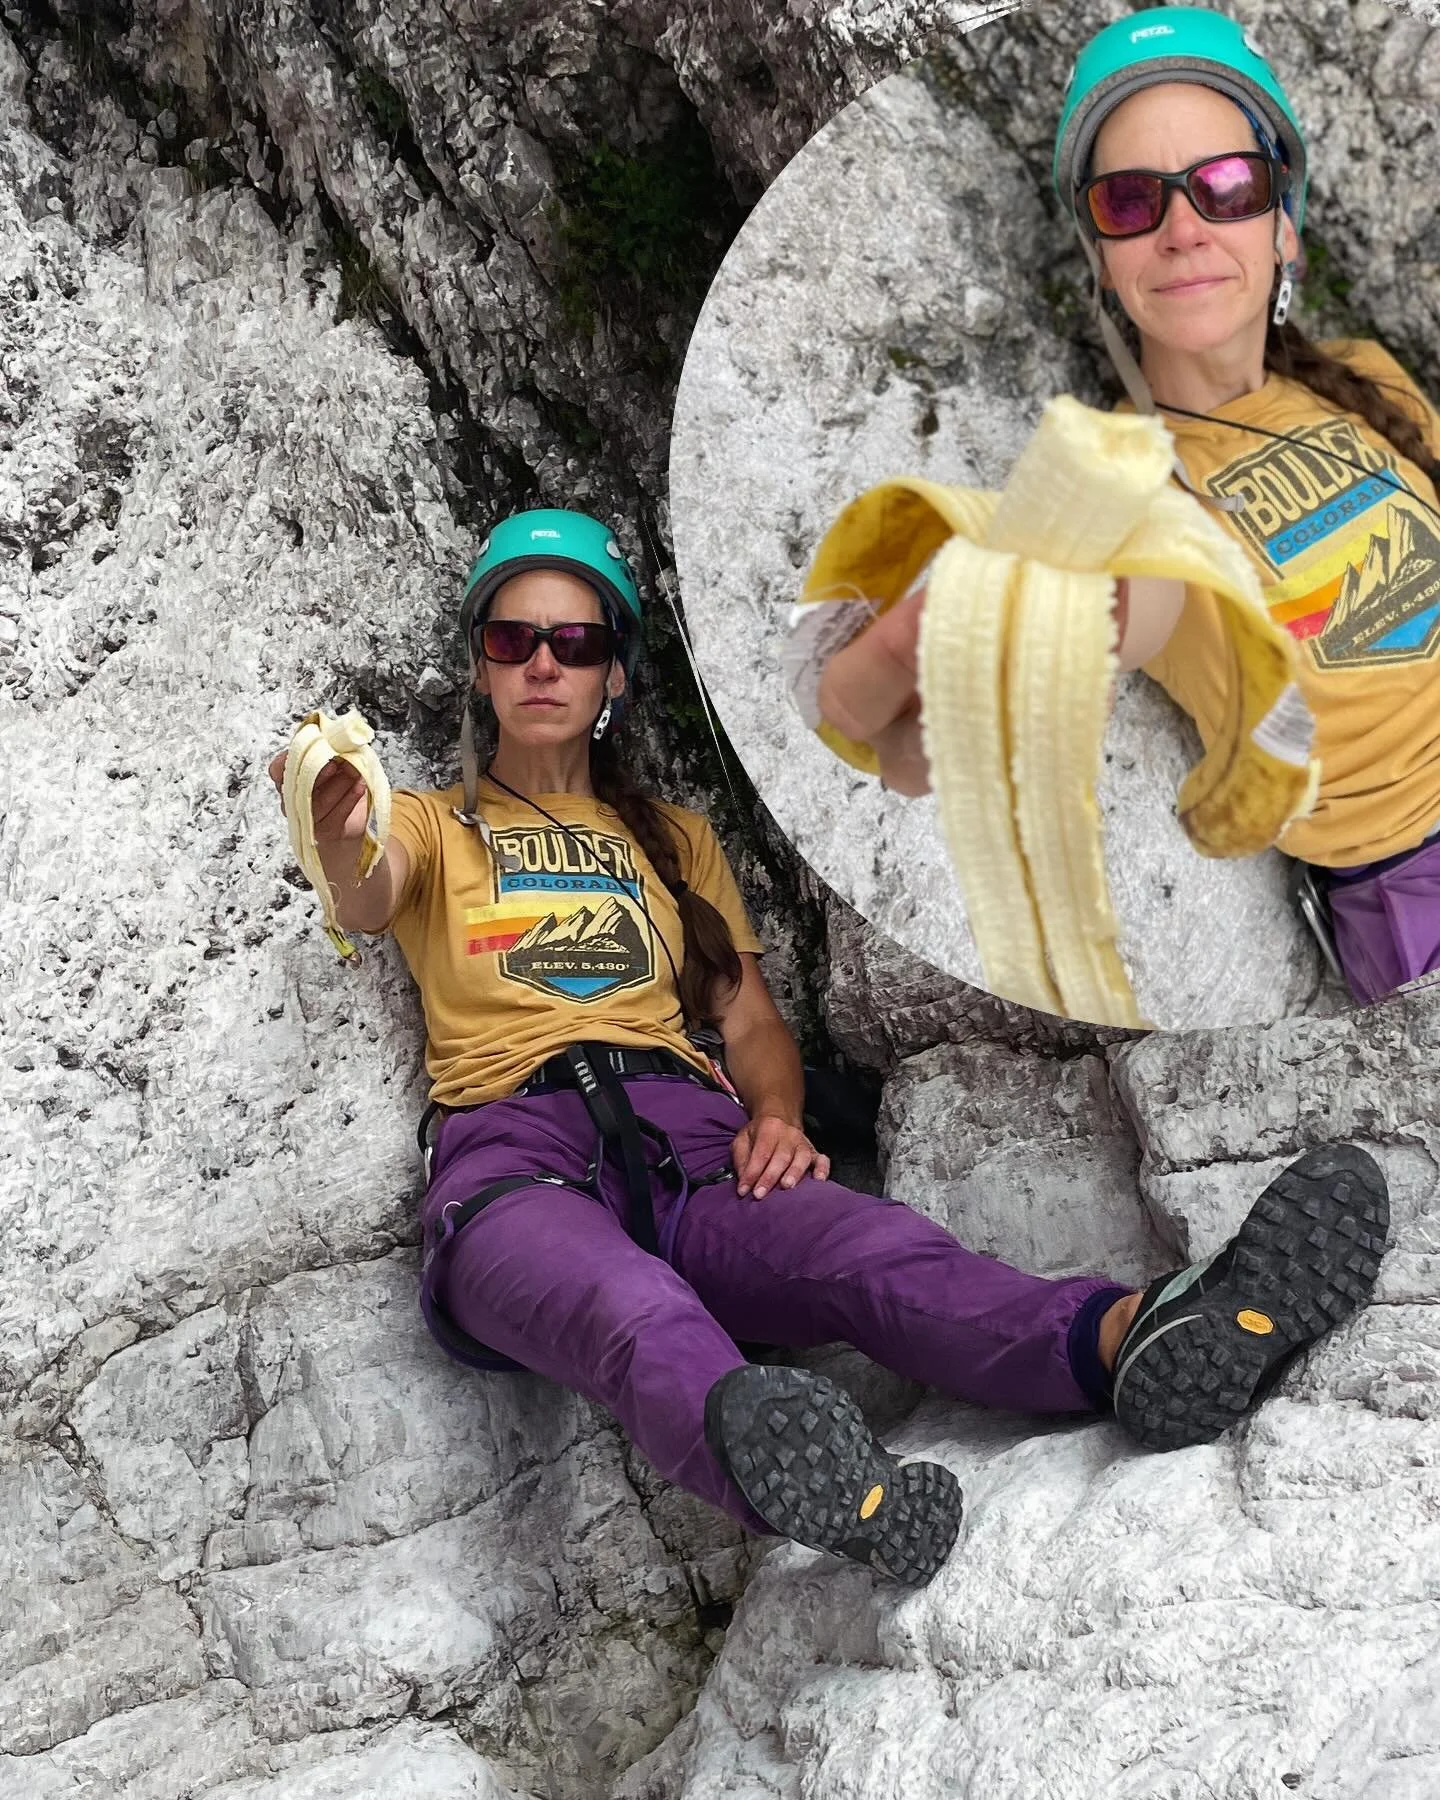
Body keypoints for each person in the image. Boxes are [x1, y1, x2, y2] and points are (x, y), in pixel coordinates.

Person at [270, 505, 1389, 1587]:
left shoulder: (674, 843)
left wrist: (776, 1116)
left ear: (617, 674)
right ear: (481, 665)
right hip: (518, 1163)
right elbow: (365, 887)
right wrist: (333, 823)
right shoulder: (432, 824)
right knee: (632, 1309)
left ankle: (1132, 1336)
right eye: (514, 641)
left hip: (691, 1146)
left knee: (874, 1253)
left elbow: (750, 1020)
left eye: (577, 643)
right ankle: (842, 1490)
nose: (544, 665)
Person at [817, 5, 1440, 1008]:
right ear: (1101, 256)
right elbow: (1115, 604)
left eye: (1227, 187)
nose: (1184, 228)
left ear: (1284, 223)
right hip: (1414, 890)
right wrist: (960, 674)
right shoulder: (1126, 486)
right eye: (1132, 200)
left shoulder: (1370, 378)